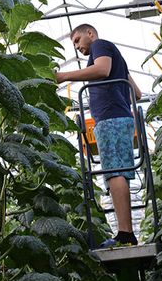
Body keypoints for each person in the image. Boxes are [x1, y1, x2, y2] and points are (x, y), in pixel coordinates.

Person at [55, 24, 142, 248]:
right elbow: (138, 93)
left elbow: (102, 70)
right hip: (120, 117)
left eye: (77, 40)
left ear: (90, 34)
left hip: (111, 119)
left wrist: (64, 76)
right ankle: (126, 233)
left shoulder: (100, 46)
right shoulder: (116, 58)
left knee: (114, 173)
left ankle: (125, 234)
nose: (76, 46)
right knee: (118, 171)